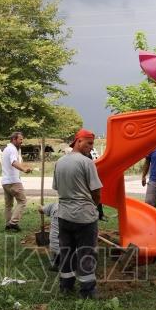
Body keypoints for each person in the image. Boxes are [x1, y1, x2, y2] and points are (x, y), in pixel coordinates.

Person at [53, 128, 103, 299]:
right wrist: (93, 206)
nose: (91, 147)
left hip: (64, 216)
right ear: (78, 141)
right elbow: (96, 192)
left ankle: (66, 287)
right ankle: (87, 291)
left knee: (66, 251)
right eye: (89, 143)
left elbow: (57, 188)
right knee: (86, 252)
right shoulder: (87, 163)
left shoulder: (59, 162)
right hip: (84, 217)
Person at [1, 131, 32, 232]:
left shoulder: (6, 149)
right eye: (20, 139)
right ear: (14, 139)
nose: (22, 142)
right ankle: (12, 223)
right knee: (22, 201)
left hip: (5, 181)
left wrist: (24, 167)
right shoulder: (12, 149)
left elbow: (13, 163)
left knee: (8, 205)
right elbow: (13, 162)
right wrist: (23, 169)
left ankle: (8, 224)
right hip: (13, 181)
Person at [38, 202, 60, 270]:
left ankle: (56, 264)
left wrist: (40, 206)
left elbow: (41, 210)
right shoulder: (78, 208)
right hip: (71, 248)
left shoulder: (54, 205)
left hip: (54, 247)